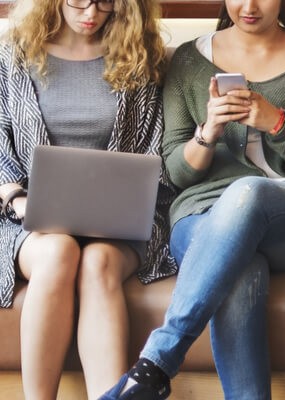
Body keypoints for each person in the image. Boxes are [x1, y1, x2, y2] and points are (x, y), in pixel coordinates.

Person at [100, 0, 285, 398]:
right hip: (203, 215)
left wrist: (278, 124)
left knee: (247, 190)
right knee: (239, 267)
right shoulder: (189, 61)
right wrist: (208, 131)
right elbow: (177, 173)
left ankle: (155, 365)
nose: (249, 6)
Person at [0, 0, 173, 398]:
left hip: (120, 223)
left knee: (97, 261)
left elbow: (155, 155)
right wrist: (19, 202)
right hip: (25, 218)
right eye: (79, 0)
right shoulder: (14, 55)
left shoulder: (139, 58)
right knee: (58, 251)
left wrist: (128, 201)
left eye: (106, 1)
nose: (91, 12)